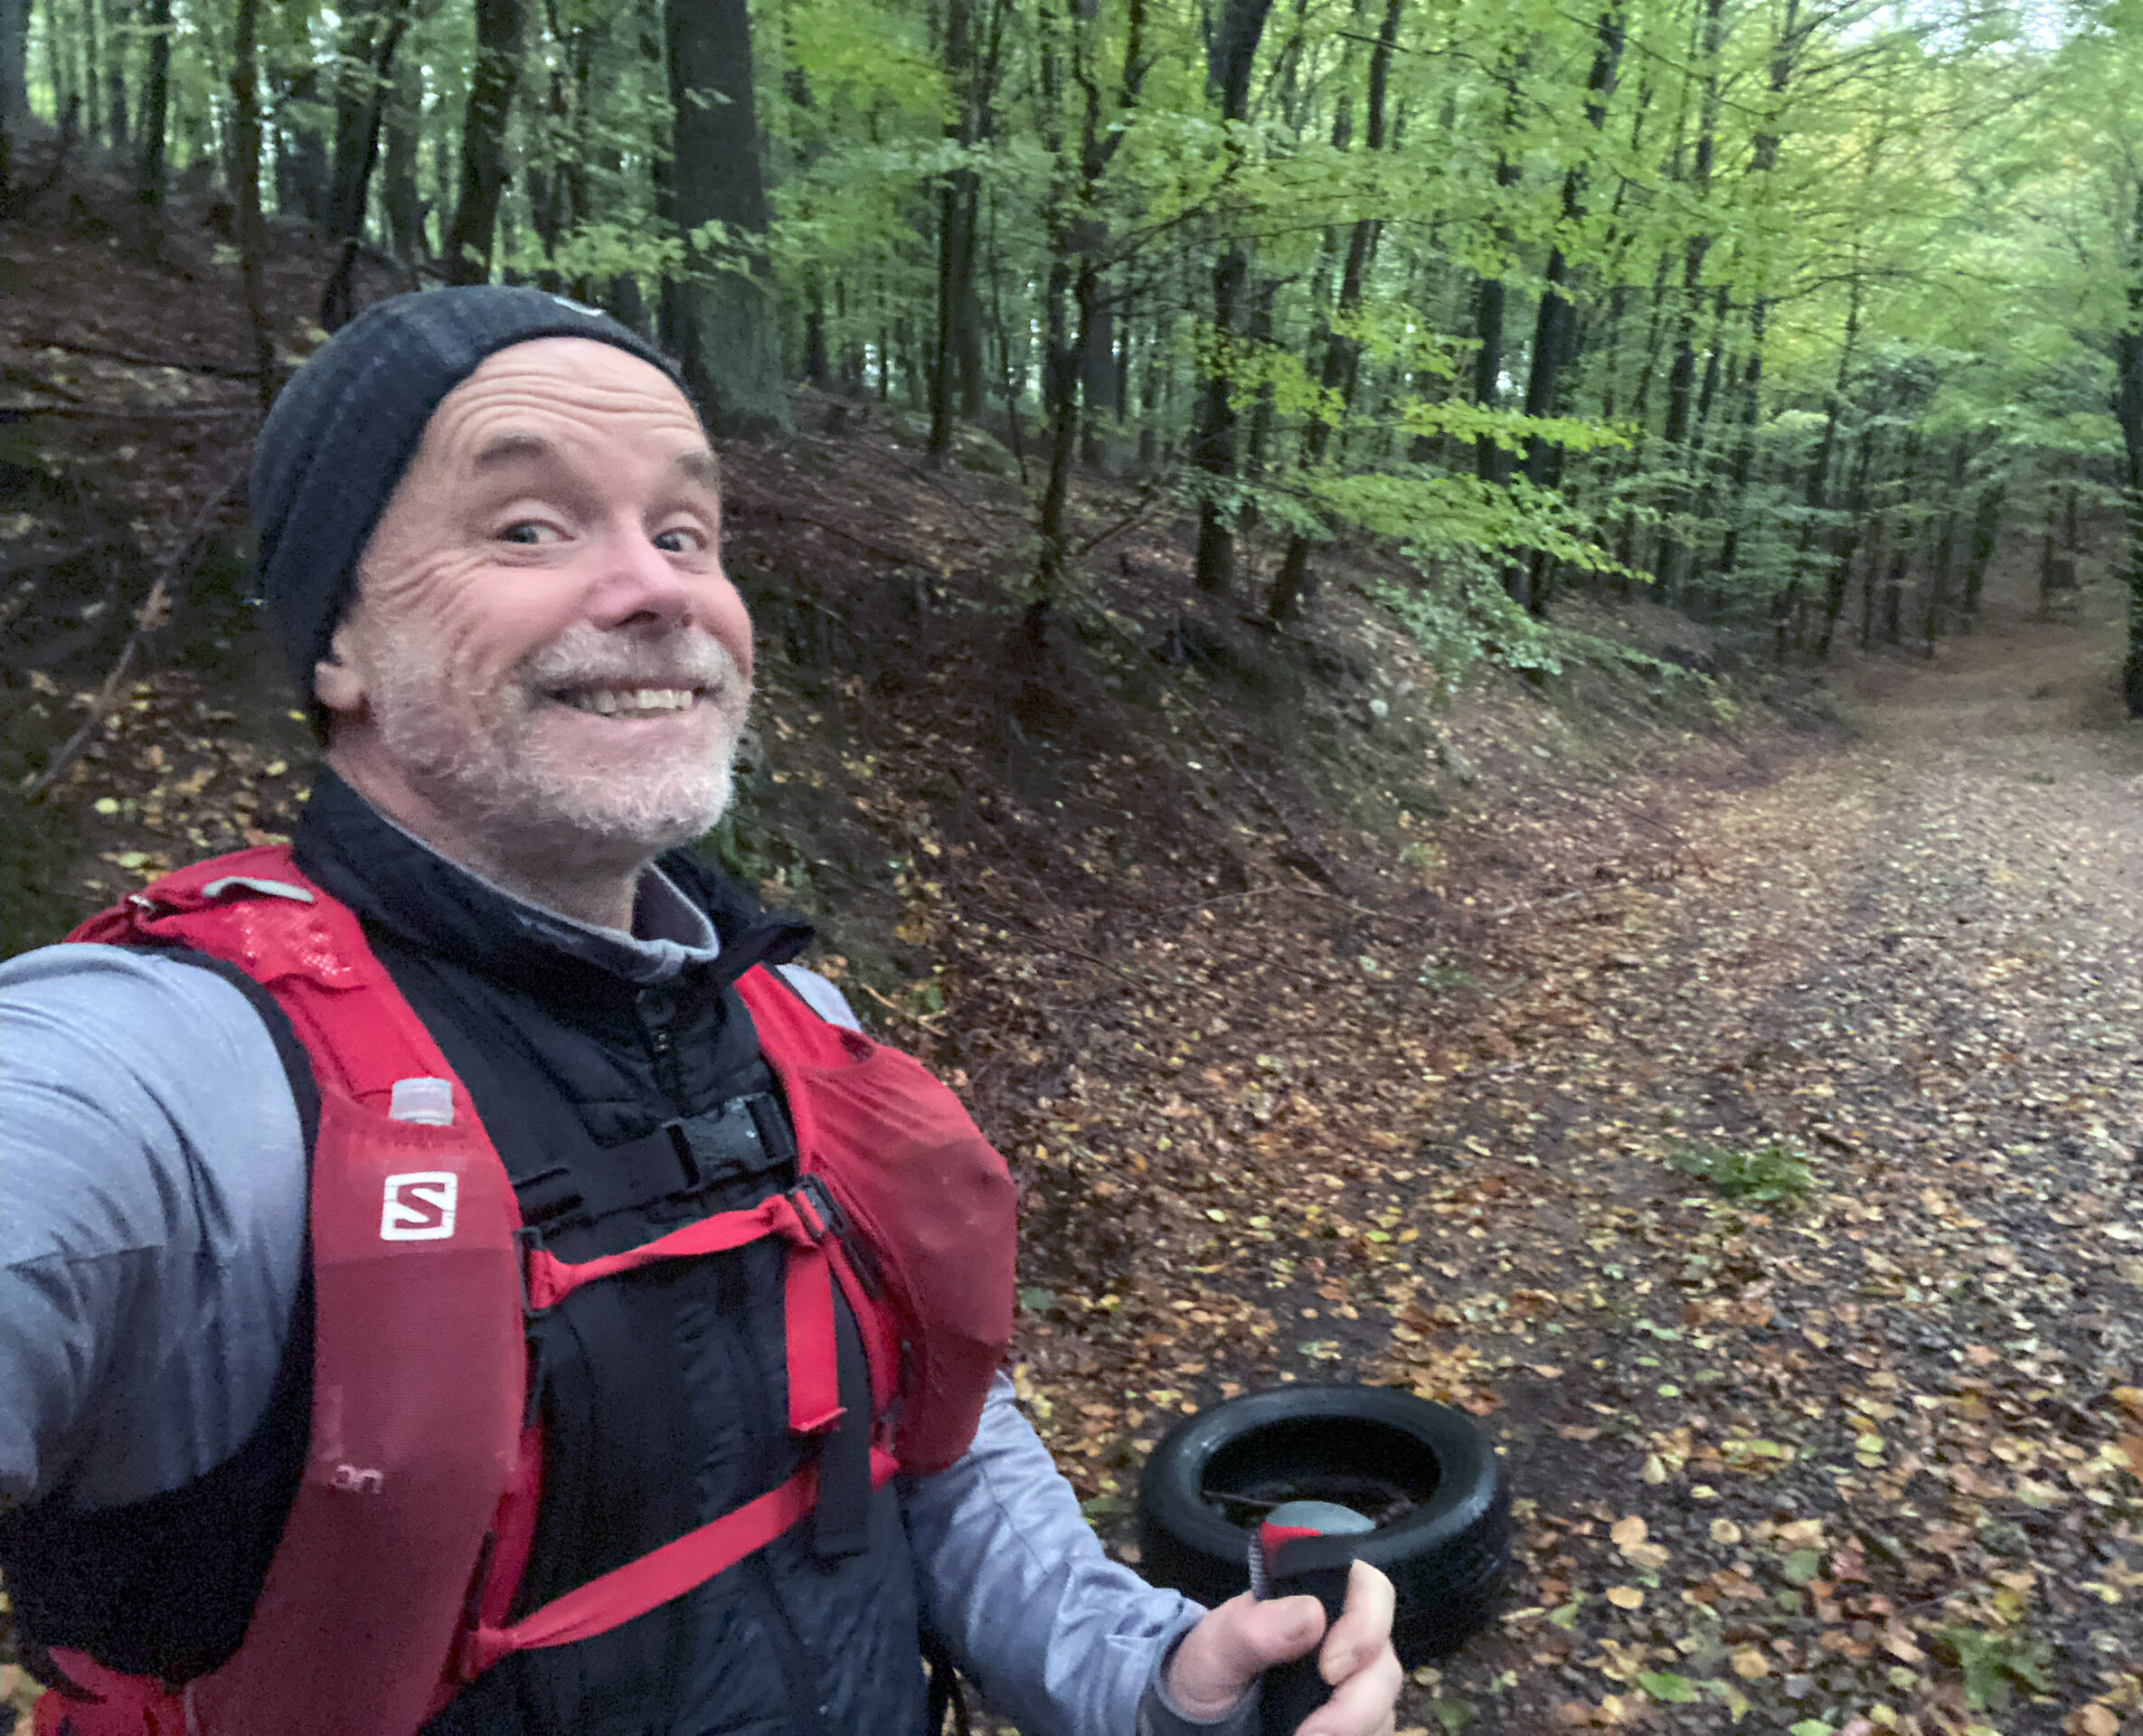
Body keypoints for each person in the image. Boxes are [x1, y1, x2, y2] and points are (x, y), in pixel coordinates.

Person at [0, 288, 1403, 1736]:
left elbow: (924, 1450)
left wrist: (1148, 1681)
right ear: (337, 643)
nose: (656, 589)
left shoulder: (789, 1019)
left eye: (685, 535)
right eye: (528, 528)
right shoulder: (165, 1086)